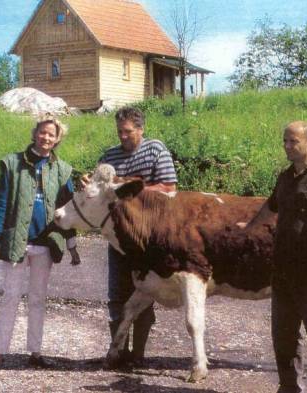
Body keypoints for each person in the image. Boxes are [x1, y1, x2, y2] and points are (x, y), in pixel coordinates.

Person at [238, 121, 307, 393]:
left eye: (293, 141)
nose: (287, 146)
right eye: (285, 141)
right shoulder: (285, 177)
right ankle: (290, 387)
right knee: (284, 336)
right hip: (284, 271)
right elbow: (271, 206)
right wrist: (250, 226)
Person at [0, 115, 81, 371]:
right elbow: (1, 203)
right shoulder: (12, 163)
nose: (46, 138)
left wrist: (72, 245)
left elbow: (68, 208)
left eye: (52, 134)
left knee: (38, 299)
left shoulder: (63, 170)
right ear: (35, 133)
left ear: (57, 138)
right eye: (43, 132)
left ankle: (35, 352)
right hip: (16, 242)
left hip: (45, 243)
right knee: (10, 297)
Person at [92, 106, 177, 368]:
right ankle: (118, 351)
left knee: (144, 293)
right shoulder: (110, 155)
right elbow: (100, 190)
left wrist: (128, 189)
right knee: (117, 293)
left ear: (140, 129)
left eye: (127, 131)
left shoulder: (155, 150)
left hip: (145, 239)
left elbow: (169, 188)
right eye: (119, 131)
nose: (123, 136)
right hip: (118, 238)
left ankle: (139, 354)